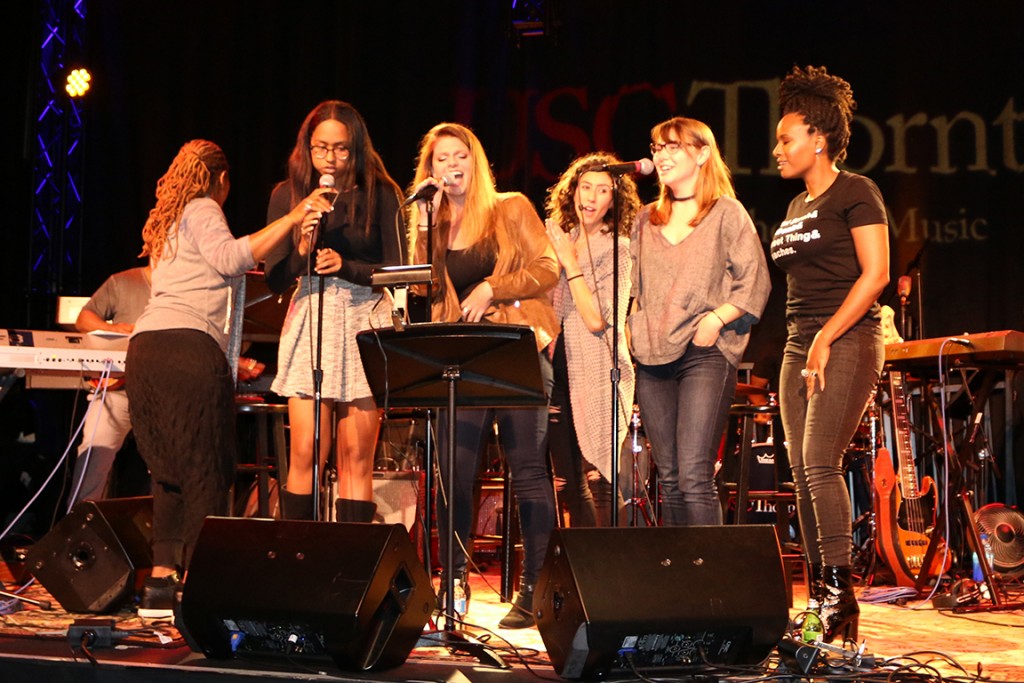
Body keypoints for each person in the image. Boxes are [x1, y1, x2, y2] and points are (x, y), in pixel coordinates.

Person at [126, 139, 333, 618]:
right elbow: (230, 258)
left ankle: (161, 584)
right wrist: (293, 216)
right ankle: (203, 586)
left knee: (170, 471)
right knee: (208, 471)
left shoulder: (167, 223)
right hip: (185, 351)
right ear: (220, 180)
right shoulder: (201, 207)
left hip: (146, 350)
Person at [407, 122, 558, 629]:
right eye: (440, 159)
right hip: (463, 357)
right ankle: (452, 585)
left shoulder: (510, 207)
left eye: (460, 156)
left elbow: (548, 267)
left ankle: (535, 587)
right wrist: (424, 235)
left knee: (528, 470)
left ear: (476, 162)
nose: (450, 166)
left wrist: (493, 288)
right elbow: (425, 295)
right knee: (452, 470)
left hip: (516, 346)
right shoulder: (432, 223)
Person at [771, 65, 889, 643]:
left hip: (847, 338)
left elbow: (876, 275)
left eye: (786, 138)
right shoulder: (795, 207)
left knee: (820, 460)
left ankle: (839, 594)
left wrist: (826, 336)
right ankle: (821, 597)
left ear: (818, 139)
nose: (777, 149)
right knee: (800, 470)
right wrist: (805, 340)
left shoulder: (856, 191)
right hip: (799, 341)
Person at [265, 101, 404, 523]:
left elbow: (398, 272)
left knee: (355, 455)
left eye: (342, 149)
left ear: (357, 149)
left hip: (364, 317)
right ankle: (299, 556)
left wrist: (349, 268)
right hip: (311, 315)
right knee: (306, 448)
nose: (332, 158)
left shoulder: (382, 192)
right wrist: (302, 251)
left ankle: (352, 566)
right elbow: (273, 278)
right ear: (307, 148)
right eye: (322, 148)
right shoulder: (287, 195)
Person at [628, 116, 770, 528]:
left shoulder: (726, 213)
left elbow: (755, 281)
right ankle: (678, 579)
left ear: (703, 154)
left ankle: (712, 583)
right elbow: (631, 288)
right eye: (658, 148)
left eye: (674, 147)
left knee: (693, 474)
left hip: (704, 354)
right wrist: (630, 328)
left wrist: (717, 317)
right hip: (652, 357)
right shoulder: (643, 220)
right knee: (668, 477)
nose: (663, 155)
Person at [544, 152, 641, 527]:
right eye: (586, 187)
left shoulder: (616, 248)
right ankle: (583, 568)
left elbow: (597, 319)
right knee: (567, 481)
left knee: (601, 475)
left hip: (599, 369)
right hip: (557, 367)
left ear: (614, 201)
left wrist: (570, 264)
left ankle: (612, 570)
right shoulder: (560, 239)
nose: (592, 197)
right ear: (572, 191)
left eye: (603, 190)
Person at [69, 264, 151, 504]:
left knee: (171, 468)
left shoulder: (186, 285)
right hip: (119, 390)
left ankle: (166, 535)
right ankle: (79, 529)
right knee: (94, 453)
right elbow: (84, 319)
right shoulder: (124, 281)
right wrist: (113, 329)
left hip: (163, 393)